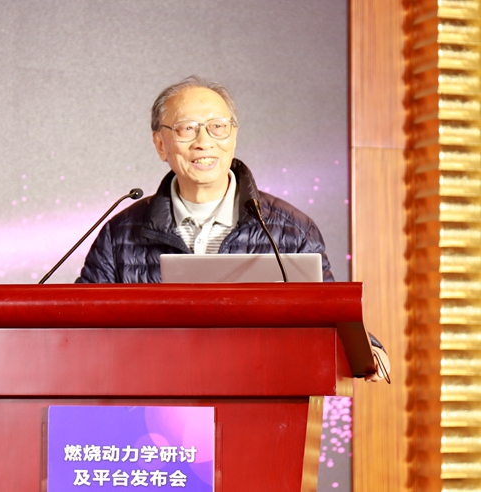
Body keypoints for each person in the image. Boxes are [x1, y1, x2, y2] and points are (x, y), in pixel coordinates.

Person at [76, 75, 390, 382]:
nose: (204, 143)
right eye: (187, 128)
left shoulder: (290, 229)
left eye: (217, 127)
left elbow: (328, 316)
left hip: (261, 394)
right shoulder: (120, 233)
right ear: (161, 144)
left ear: (233, 136)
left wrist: (368, 350)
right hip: (154, 400)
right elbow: (79, 325)